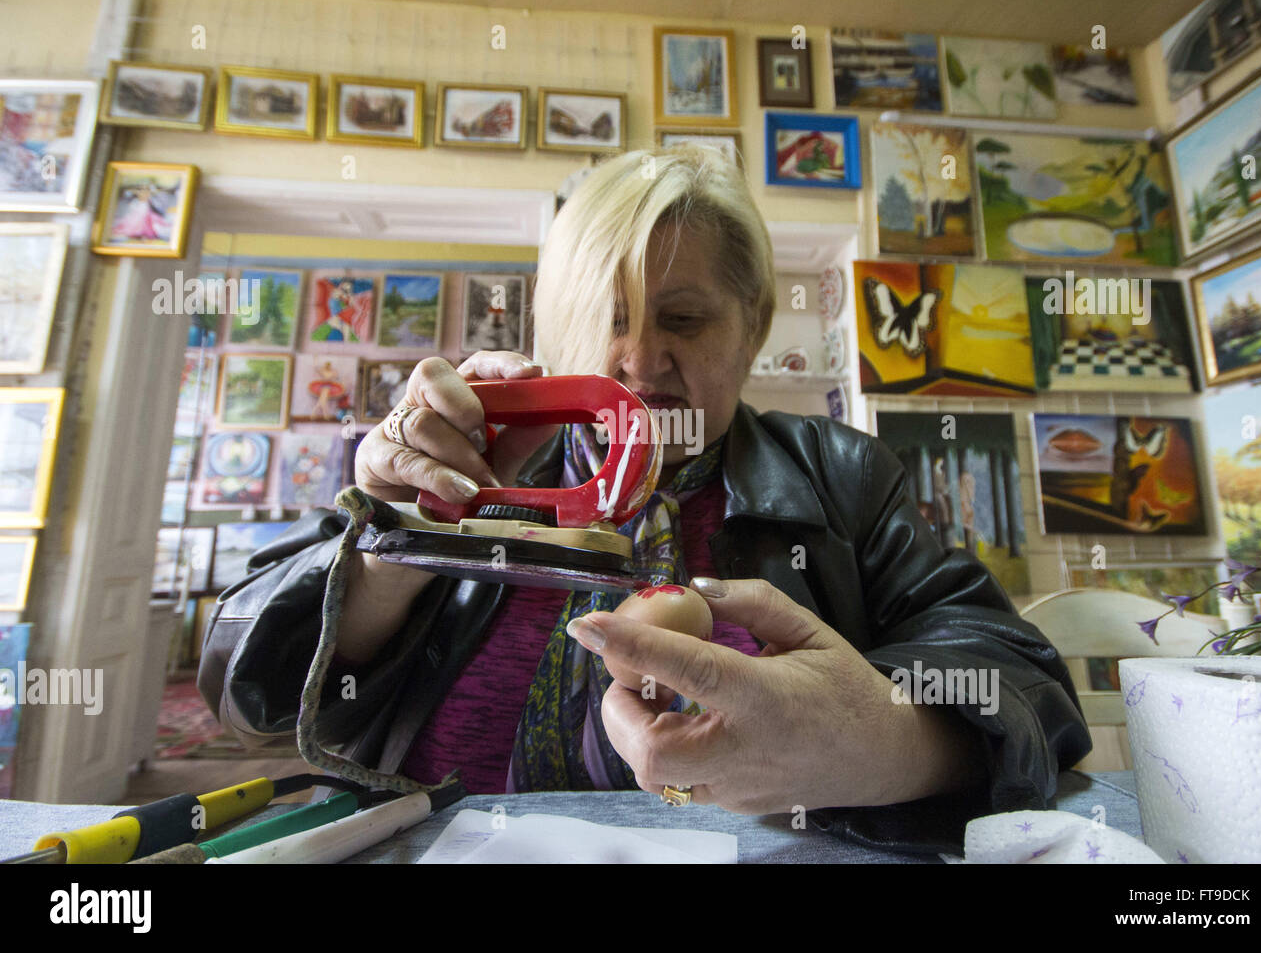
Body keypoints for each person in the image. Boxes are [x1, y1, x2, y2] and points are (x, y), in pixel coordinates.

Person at [199, 145, 1090, 851]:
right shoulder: (464, 463)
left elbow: (1025, 681)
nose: (638, 361)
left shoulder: (841, 477)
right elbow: (252, 694)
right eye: (607, 317)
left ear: (752, 328)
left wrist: (887, 741)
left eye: (684, 318)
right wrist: (398, 545)